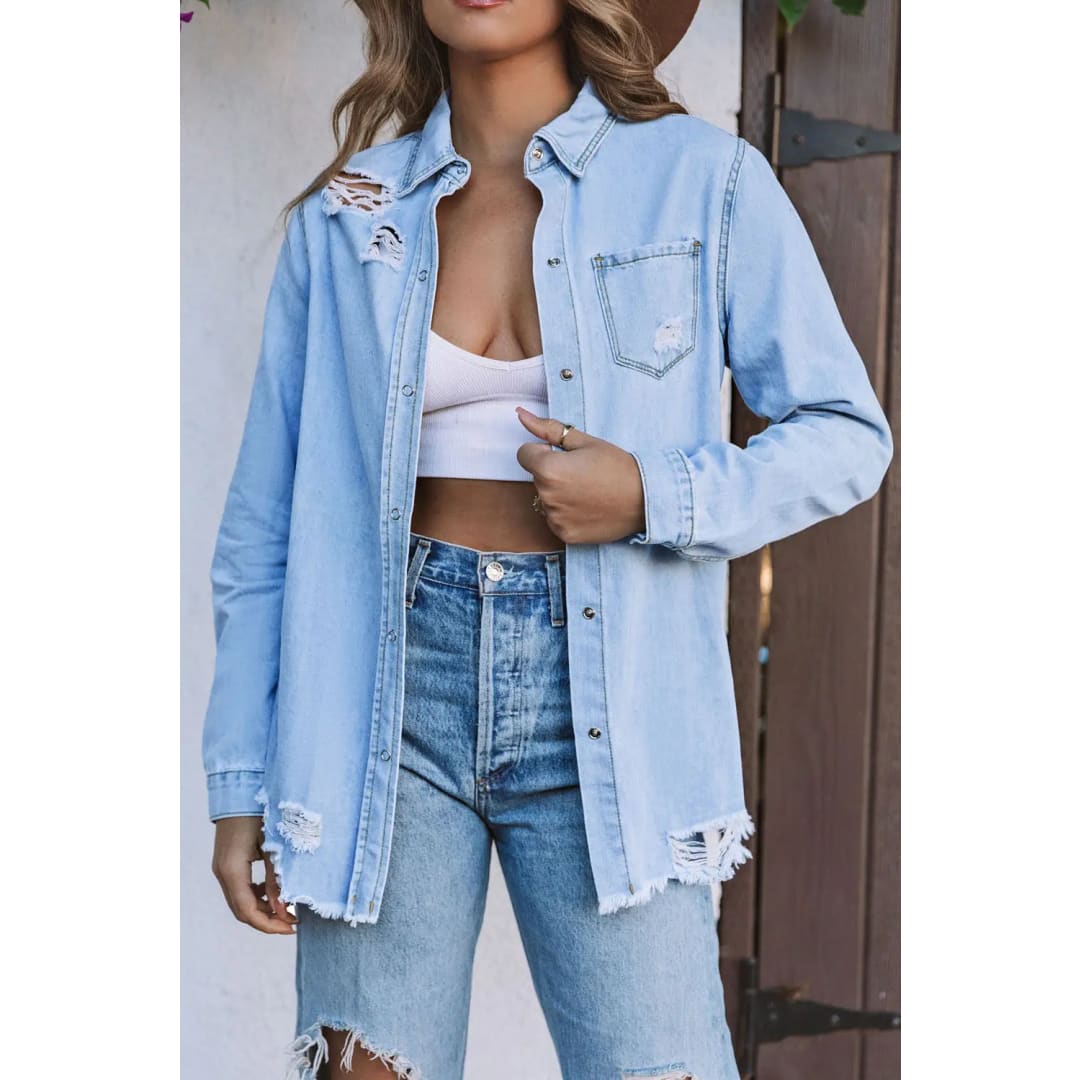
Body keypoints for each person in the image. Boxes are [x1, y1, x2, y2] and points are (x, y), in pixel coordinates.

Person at [201, 1, 894, 1077]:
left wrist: (653, 493)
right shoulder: (348, 215)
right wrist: (242, 779)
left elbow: (845, 435)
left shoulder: (702, 183)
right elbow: (265, 529)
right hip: (378, 706)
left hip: (614, 701)